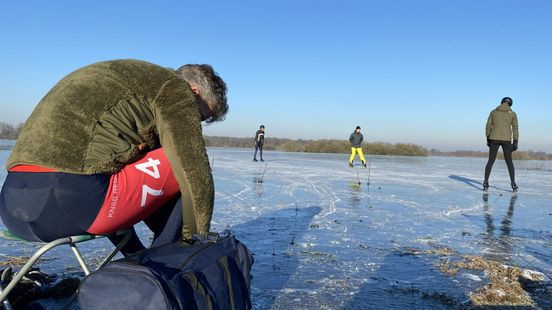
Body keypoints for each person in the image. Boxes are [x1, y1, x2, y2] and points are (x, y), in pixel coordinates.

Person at [0, 59, 228, 255]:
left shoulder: (130, 82)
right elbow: (194, 174)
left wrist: (135, 254)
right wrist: (195, 242)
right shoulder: (175, 89)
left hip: (14, 210)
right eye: (199, 117)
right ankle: (167, 263)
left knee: (130, 163)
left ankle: (142, 260)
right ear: (194, 92)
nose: (195, 124)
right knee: (182, 162)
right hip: (69, 206)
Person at [484, 97, 519, 191]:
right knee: (509, 162)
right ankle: (513, 183)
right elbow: (515, 128)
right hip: (506, 140)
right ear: (510, 104)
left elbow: (488, 126)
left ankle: (485, 182)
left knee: (491, 161)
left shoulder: (493, 112)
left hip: (493, 139)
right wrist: (515, 142)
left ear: (501, 102)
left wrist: (488, 138)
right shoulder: (513, 114)